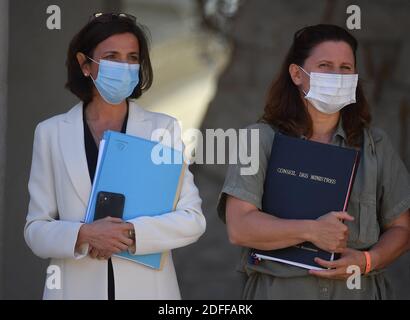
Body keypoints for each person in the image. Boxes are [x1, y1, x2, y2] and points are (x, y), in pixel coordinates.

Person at [217, 24, 410, 299]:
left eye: (345, 68)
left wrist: (368, 261)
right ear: (297, 74)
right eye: (325, 65)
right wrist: (313, 230)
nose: (336, 75)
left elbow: (402, 228)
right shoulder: (258, 139)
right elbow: (240, 228)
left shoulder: (375, 146)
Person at [24, 12, 206, 300]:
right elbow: (35, 230)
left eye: (132, 57)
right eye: (112, 56)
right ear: (85, 65)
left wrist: (130, 233)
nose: (124, 66)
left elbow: (192, 219)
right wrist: (84, 235)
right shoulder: (50, 133)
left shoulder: (163, 129)